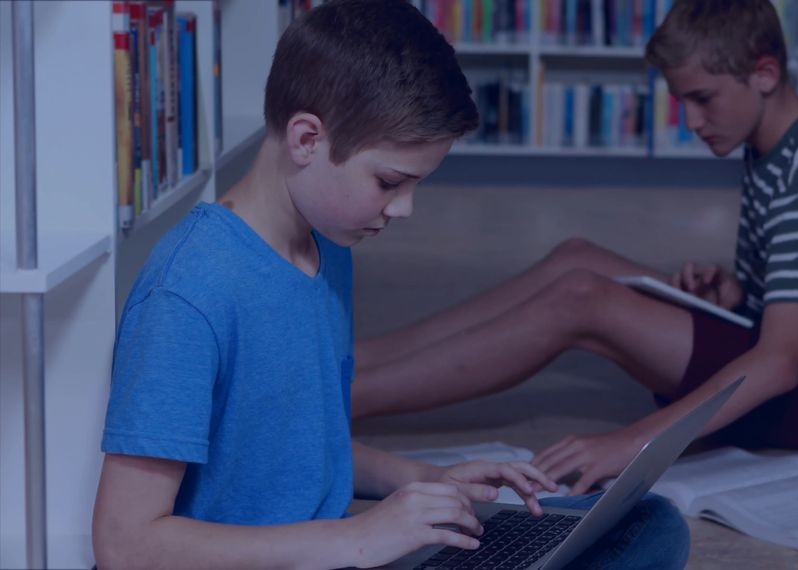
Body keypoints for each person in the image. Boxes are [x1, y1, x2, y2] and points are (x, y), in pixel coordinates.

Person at [91, 1, 689, 569]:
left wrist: (426, 482)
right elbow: (125, 546)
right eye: (388, 182)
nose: (403, 209)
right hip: (306, 555)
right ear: (306, 140)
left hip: (337, 549)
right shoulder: (187, 294)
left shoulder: (327, 242)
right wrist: (354, 537)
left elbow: (298, 453)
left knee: (648, 522)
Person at [353, 0, 798, 496]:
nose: (691, 121)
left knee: (581, 299)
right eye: (681, 101)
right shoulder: (786, 134)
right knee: (578, 257)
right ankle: (359, 361)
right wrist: (736, 290)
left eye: (703, 99)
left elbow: (780, 363)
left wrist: (633, 446)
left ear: (765, 74)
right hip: (793, 345)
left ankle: (338, 402)